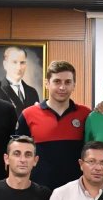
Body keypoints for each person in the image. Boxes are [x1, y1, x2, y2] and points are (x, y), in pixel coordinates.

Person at [15, 59, 90, 190]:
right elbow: (17, 156)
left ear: (74, 85)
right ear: (47, 84)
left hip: (76, 191)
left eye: (68, 82)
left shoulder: (86, 114)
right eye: (57, 81)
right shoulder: (28, 115)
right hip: (38, 192)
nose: (62, 87)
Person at [0, 46, 40, 112]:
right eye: (14, 62)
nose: (19, 68)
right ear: (5, 65)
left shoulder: (32, 92)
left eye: (22, 62)